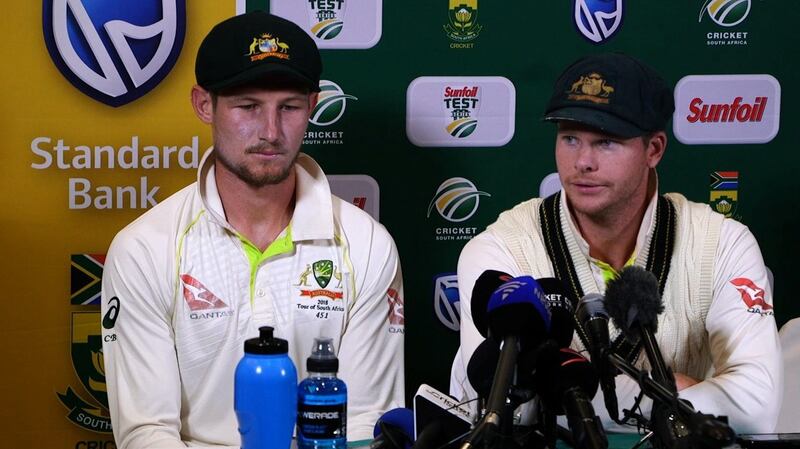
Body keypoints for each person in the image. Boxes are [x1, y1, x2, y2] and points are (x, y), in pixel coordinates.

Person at [100, 11, 405, 448]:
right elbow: (147, 432)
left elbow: (363, 426)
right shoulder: (144, 248)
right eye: (248, 107)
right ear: (204, 105)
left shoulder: (367, 244)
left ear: (313, 106)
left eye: (290, 107)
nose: (271, 131)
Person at [450, 53, 782, 434]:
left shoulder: (722, 244)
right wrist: (673, 394)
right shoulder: (501, 248)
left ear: (654, 149)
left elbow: (757, 409)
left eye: (606, 142)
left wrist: (563, 391)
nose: (583, 162)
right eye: (570, 138)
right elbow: (509, 408)